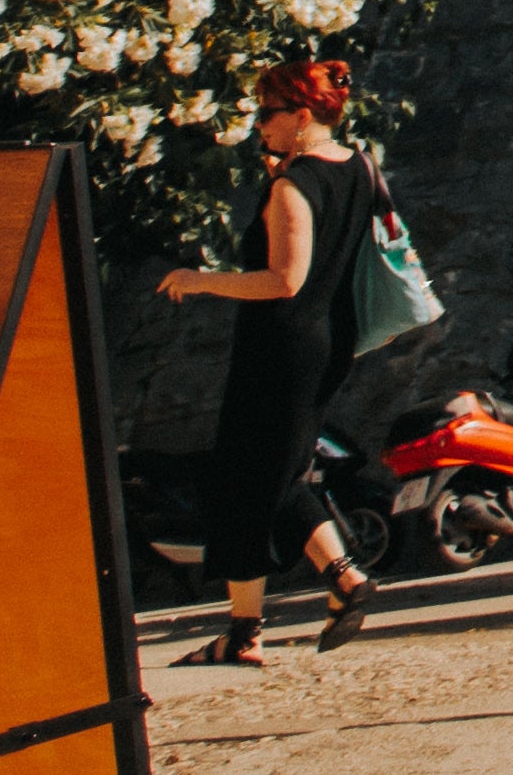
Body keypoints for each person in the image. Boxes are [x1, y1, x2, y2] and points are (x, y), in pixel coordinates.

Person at [159, 58, 391, 664]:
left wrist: (200, 279)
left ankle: (270, 619)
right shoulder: (358, 167)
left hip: (281, 347)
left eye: (268, 113)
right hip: (329, 342)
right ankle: (319, 591)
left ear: (302, 116)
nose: (258, 124)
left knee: (245, 477)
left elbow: (284, 280)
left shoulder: (294, 186)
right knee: (277, 475)